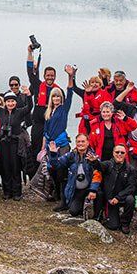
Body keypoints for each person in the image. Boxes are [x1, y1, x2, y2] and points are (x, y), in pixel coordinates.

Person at [0, 84, 32, 200]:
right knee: (6, 167)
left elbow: (29, 107)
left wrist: (28, 95)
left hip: (16, 142)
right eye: (8, 102)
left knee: (15, 167)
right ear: (5, 103)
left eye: (12, 101)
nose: (10, 104)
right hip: (4, 143)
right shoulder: (1, 112)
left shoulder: (20, 112)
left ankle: (17, 193)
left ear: (15, 102)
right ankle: (7, 192)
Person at [43, 65, 77, 210]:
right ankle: (57, 194)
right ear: (51, 98)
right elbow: (45, 131)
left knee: (62, 170)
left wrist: (70, 76)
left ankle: (64, 200)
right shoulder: (48, 112)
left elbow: (70, 92)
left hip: (61, 144)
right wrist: (43, 148)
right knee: (52, 170)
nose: (56, 98)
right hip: (50, 145)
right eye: (54, 96)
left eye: (58, 96)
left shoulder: (64, 108)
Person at [26, 42, 61, 174]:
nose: (50, 77)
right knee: (36, 148)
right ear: (45, 76)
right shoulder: (37, 85)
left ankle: (49, 176)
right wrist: (30, 53)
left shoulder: (58, 91)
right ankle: (35, 175)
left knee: (50, 149)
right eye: (48, 75)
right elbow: (30, 72)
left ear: (55, 76)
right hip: (38, 124)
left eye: (52, 75)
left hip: (51, 124)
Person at [47, 134, 101, 219]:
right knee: (73, 212)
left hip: (90, 189)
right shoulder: (71, 155)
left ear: (88, 143)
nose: (80, 144)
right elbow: (56, 165)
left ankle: (97, 214)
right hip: (77, 190)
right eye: (78, 141)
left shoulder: (93, 157)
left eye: (83, 141)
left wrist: (93, 189)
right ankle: (75, 203)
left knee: (99, 194)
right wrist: (53, 154)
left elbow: (97, 175)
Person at [92, 144, 137, 232]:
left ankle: (125, 223)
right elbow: (99, 166)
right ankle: (98, 215)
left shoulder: (131, 169)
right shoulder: (108, 164)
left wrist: (118, 197)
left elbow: (131, 187)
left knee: (130, 199)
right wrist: (94, 161)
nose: (119, 154)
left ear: (125, 154)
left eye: (122, 152)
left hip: (121, 198)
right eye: (117, 152)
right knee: (113, 226)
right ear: (113, 153)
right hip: (109, 199)